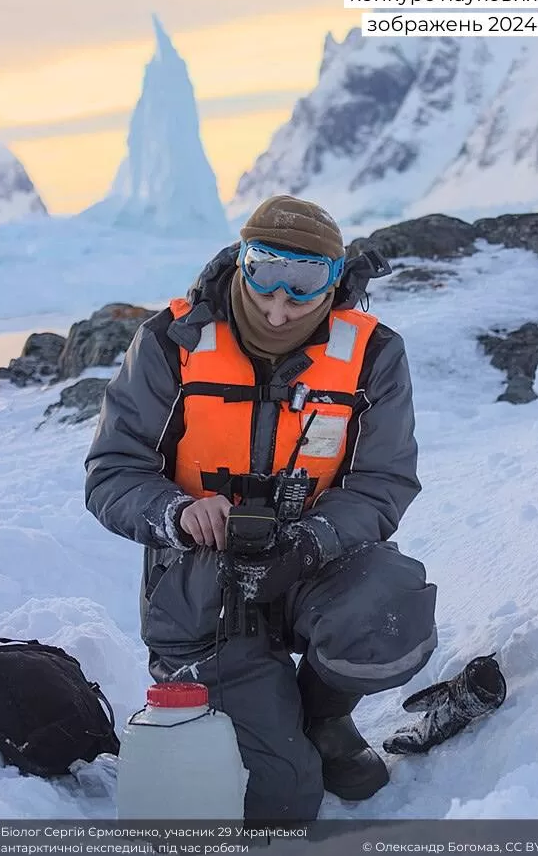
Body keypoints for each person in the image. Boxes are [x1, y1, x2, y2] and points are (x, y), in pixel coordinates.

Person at [84, 194, 438, 821]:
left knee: (388, 614)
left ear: (334, 282)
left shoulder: (373, 354)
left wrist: (311, 540)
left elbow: (382, 482)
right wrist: (177, 512)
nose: (278, 308)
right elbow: (112, 472)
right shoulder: (169, 342)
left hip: (314, 560)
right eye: (264, 277)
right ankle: (274, 720)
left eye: (303, 288)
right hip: (200, 586)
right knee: (276, 803)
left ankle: (323, 718)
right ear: (242, 262)